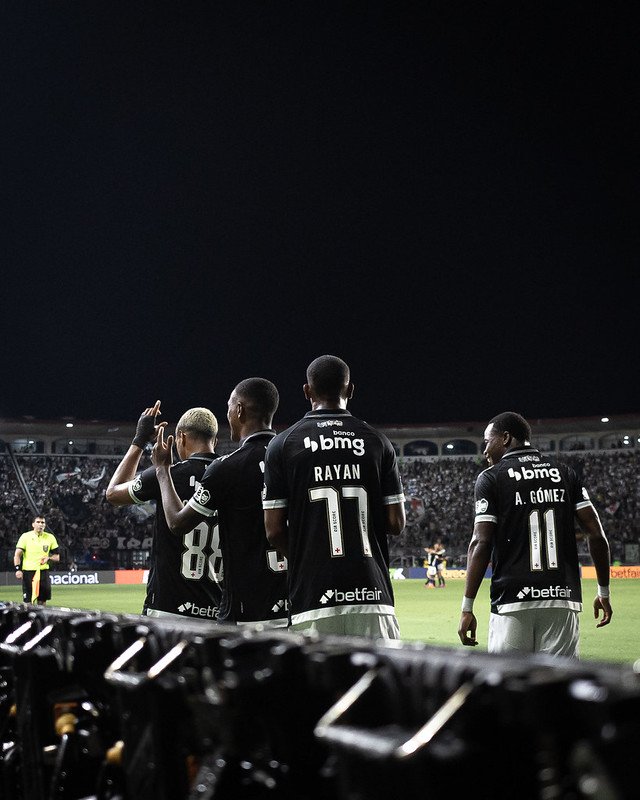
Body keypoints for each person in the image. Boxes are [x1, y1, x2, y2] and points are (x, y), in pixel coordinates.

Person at [263, 354, 406, 639]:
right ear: (350, 390)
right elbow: (396, 523)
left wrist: (306, 558)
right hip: (372, 595)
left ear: (307, 391)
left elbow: (274, 530)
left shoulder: (283, 444)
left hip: (313, 598)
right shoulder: (377, 442)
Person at [458, 411, 613, 658]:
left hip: (512, 600)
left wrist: (467, 606)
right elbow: (596, 534)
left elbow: (481, 542)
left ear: (506, 438)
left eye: (487, 442)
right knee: (558, 681)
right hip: (562, 599)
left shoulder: (491, 477)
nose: (484, 450)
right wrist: (603, 591)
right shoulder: (565, 473)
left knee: (508, 680)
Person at [152, 378, 288, 627]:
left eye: (229, 408)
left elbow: (178, 524)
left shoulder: (227, 467)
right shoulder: (294, 459)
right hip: (295, 608)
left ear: (239, 410)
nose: (228, 415)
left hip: (247, 616)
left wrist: (162, 469)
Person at [106, 401, 222, 620]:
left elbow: (113, 493)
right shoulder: (233, 475)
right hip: (218, 613)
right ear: (215, 441)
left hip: (166, 610)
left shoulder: (167, 474)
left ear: (181, 438)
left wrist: (139, 440)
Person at [14, 514, 60, 605]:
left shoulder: (50, 537)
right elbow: (17, 555)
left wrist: (49, 558)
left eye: (42, 522)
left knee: (42, 602)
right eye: (38, 522)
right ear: (33, 524)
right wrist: (18, 569)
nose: (40, 524)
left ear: (45, 525)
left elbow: (57, 557)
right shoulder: (25, 537)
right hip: (29, 573)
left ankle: (41, 615)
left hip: (43, 573)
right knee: (28, 603)